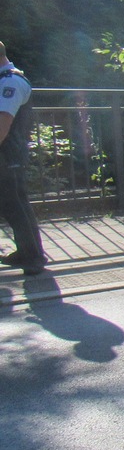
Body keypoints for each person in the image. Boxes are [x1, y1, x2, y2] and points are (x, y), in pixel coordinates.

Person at [0, 41, 46, 275]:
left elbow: (3, 125)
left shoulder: (11, 83)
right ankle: (29, 254)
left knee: (14, 204)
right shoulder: (7, 80)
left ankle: (33, 257)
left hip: (8, 154)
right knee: (15, 204)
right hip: (9, 153)